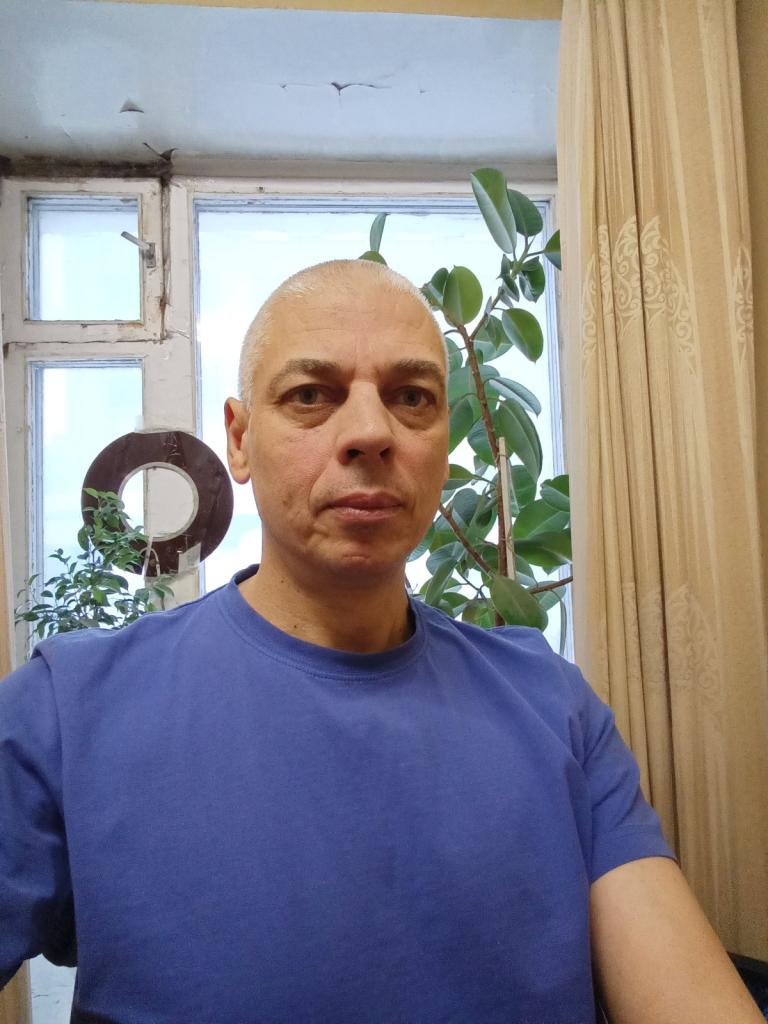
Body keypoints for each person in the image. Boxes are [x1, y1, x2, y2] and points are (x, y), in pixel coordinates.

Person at [0, 259, 762, 1024]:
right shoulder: (68, 711)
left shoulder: (553, 707)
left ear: (445, 440)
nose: (370, 432)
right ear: (239, 438)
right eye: (310, 395)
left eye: (411, 397)